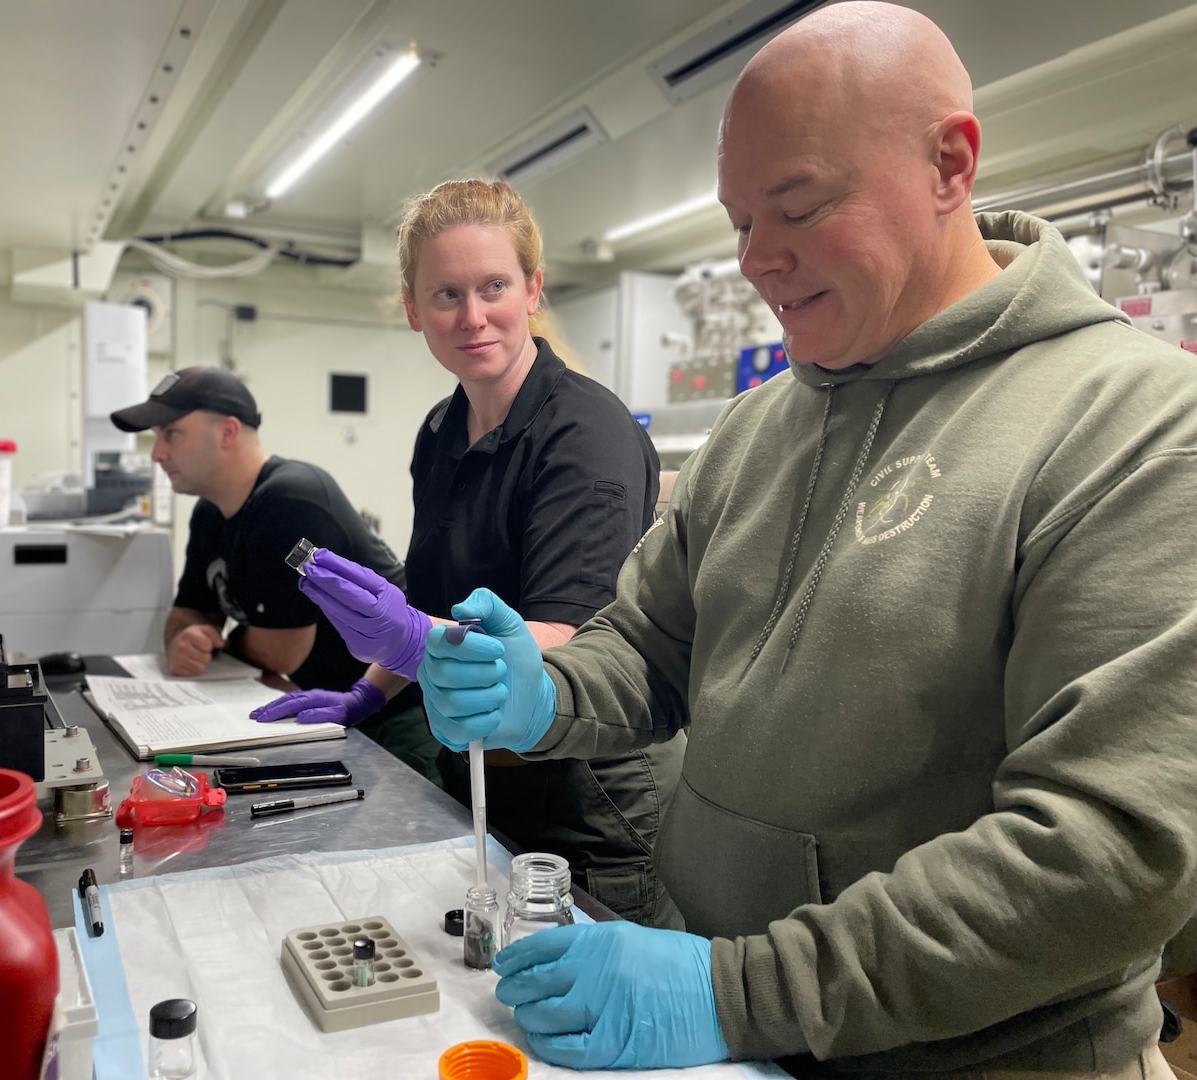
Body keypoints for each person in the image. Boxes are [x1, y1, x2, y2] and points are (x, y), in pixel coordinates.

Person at [417, 4, 1197, 1077]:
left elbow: (1108, 854)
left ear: (949, 164)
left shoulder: (1137, 423)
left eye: (799, 207)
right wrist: (546, 690)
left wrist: (740, 992)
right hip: (740, 1039)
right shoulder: (757, 425)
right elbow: (650, 649)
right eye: (740, 222)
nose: (757, 260)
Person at [253, 178, 687, 928]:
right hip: (484, 767)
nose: (474, 316)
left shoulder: (585, 433)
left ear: (532, 290)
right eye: (447, 295)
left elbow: (566, 640)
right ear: (413, 310)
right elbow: (430, 602)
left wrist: (420, 644)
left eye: (495, 287)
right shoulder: (440, 432)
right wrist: (371, 692)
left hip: (588, 789)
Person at [110, 366, 408, 703]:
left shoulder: (289, 501)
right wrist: (186, 638)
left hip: (392, 710)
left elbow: (281, 651)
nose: (156, 454)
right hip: (326, 702)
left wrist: (216, 644)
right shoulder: (210, 512)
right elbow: (188, 611)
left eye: (172, 434)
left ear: (227, 432)